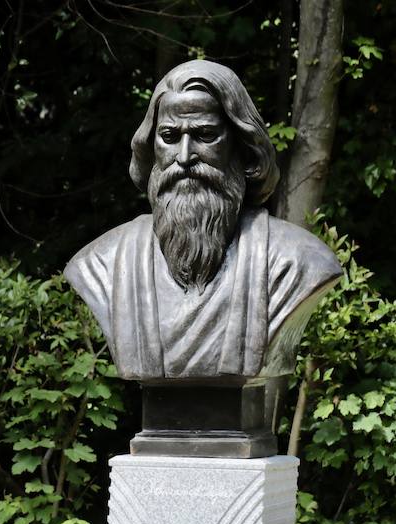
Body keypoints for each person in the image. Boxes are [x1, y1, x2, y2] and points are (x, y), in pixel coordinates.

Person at [64, 59, 341, 381]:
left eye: (205, 135)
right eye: (169, 136)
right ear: (151, 146)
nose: (184, 157)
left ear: (241, 144)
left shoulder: (297, 261)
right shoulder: (103, 263)